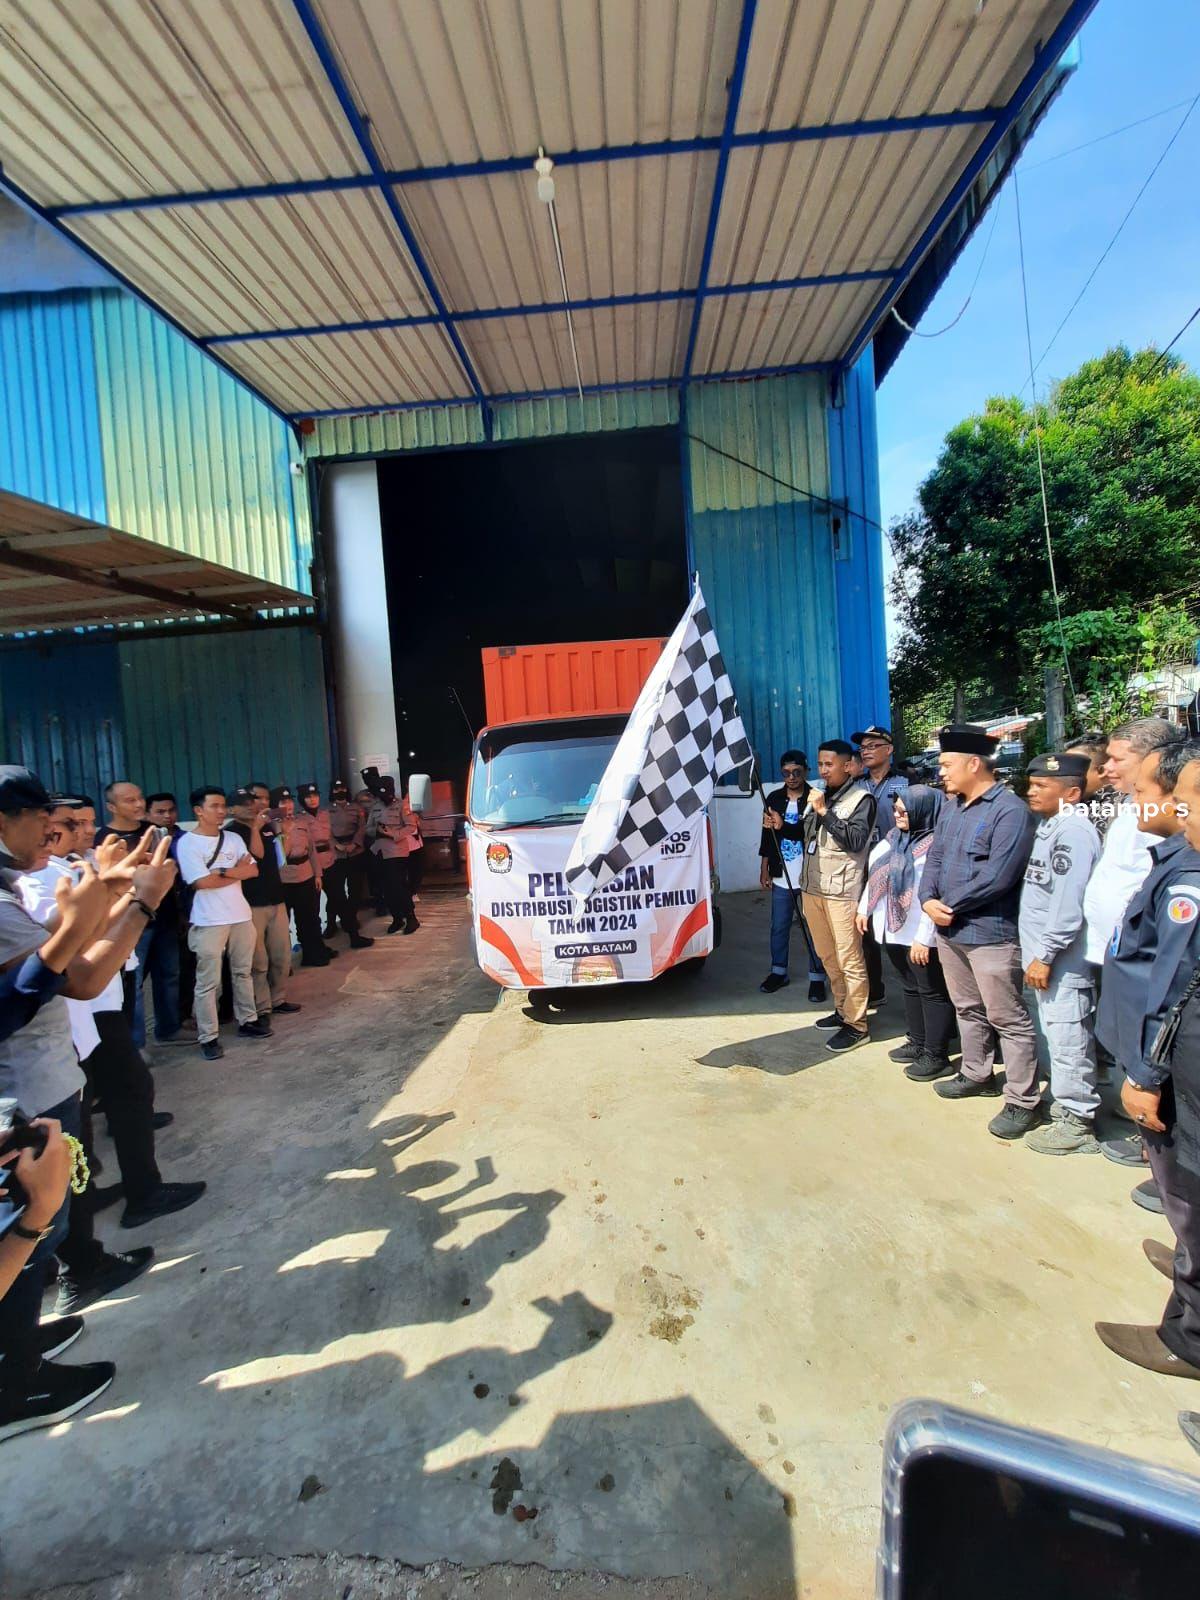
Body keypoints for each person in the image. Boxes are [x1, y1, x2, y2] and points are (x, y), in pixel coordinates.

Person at [0, 767, 175, 1437]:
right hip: (28, 1094)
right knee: (30, 1231)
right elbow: (78, 976)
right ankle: (17, 1381)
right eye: (40, 819)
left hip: (43, 1081)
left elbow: (65, 955)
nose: (52, 831)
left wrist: (113, 898)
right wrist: (138, 904)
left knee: (41, 1232)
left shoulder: (11, 888)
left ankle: (20, 1344)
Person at [19, 801, 205, 1273]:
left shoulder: (66, 867)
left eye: (85, 822)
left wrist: (121, 890)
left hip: (92, 1009)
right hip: (78, 1014)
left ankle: (85, 1229)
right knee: (103, 1111)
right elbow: (74, 953)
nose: (83, 831)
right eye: (67, 824)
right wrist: (139, 899)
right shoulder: (32, 880)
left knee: (87, 1126)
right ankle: (115, 1222)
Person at [1094, 740, 1200, 1380]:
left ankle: (1188, 1334)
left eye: (1147, 792)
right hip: (1161, 1054)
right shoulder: (1176, 858)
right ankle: (1188, 1261)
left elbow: (1176, 984)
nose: (1142, 804)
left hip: (1170, 1063)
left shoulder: (1189, 876)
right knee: (1179, 1192)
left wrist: (1144, 1073)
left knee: (1186, 1192)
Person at [920, 725, 1041, 1140]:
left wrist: (947, 906)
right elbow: (934, 857)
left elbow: (999, 876)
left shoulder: (1010, 811)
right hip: (949, 930)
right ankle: (976, 1073)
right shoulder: (951, 806)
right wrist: (926, 899)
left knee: (1007, 1017)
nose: (941, 772)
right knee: (967, 1007)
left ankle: (1023, 1100)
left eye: (946, 765)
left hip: (990, 934)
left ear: (974, 764)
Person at [1017, 754, 1102, 1155]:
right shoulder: (1051, 825)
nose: (1031, 791)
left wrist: (1046, 954)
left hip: (1060, 962)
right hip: (1043, 958)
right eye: (1031, 784)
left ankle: (1078, 1122)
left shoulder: (1074, 832)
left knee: (1068, 1039)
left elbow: (1069, 906)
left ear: (1071, 793)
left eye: (1041, 786)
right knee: (1053, 1034)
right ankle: (1065, 1105)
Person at [857, 786, 956, 1080]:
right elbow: (875, 876)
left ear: (923, 812)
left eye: (904, 811)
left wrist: (925, 938)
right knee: (909, 986)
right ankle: (918, 1040)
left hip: (919, 932)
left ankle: (936, 1054)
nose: (898, 815)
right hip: (892, 928)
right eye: (896, 810)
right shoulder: (893, 839)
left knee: (931, 990)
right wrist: (863, 909)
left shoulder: (935, 847)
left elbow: (936, 896)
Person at [176, 787, 270, 1061]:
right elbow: (201, 882)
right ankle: (208, 1036)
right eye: (214, 806)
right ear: (198, 811)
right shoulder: (188, 843)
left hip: (240, 915)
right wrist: (235, 872)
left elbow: (253, 870)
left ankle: (248, 1020)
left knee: (243, 972)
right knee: (208, 982)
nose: (221, 811)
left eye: (222, 806)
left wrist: (223, 871)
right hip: (209, 920)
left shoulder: (232, 838)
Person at [1082, 719, 1181, 967]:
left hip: (1139, 956)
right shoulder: (1127, 803)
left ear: (1152, 759)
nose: (1106, 767)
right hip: (1110, 950)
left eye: (1117, 759)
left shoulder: (1163, 815)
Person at [799, 740, 875, 1052]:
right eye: (820, 764)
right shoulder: (821, 795)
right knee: (827, 955)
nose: (823, 770)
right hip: (813, 888)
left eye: (829, 764)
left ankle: (857, 1025)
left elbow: (855, 841)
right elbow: (807, 837)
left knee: (849, 959)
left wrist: (823, 812)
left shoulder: (862, 799)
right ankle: (842, 1010)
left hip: (842, 892)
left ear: (848, 766)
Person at [225, 787, 301, 1026]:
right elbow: (256, 856)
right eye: (245, 804)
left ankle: (278, 998)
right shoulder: (232, 833)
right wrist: (255, 828)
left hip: (276, 898)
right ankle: (262, 1006)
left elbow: (280, 859)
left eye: (253, 801)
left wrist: (285, 833)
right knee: (258, 961)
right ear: (232, 809)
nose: (252, 806)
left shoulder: (267, 827)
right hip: (251, 904)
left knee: (281, 955)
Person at [757, 750, 825, 1001]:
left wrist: (782, 825)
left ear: (806, 771)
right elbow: (767, 836)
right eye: (786, 773)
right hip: (781, 873)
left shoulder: (816, 798)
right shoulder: (774, 798)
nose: (792, 777)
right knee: (779, 926)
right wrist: (764, 867)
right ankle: (778, 972)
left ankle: (817, 977)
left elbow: (809, 833)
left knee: (814, 928)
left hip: (810, 876)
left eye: (797, 772)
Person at [853, 726, 909, 1007]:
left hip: (898, 864)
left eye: (872, 746)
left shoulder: (906, 782)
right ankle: (875, 990)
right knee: (865, 931)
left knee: (901, 929)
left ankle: (917, 992)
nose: (866, 751)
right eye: (863, 748)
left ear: (889, 750)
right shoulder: (856, 785)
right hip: (863, 865)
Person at [271, 786, 335, 968]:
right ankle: (283, 964)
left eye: (289, 801)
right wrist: (283, 830)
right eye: (283, 802)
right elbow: (280, 855)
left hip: (305, 875)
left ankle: (313, 953)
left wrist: (317, 874)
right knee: (283, 924)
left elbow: (312, 850)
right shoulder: (272, 826)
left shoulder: (301, 821)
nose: (288, 805)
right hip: (284, 879)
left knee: (309, 918)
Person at [368, 777, 421, 936]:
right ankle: (397, 918)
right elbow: (368, 828)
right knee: (386, 888)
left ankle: (411, 917)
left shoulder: (402, 806)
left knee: (399, 886)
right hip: (379, 851)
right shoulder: (375, 806)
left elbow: (411, 826)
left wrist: (393, 834)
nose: (385, 795)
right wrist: (376, 831)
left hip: (397, 851)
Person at [324, 781, 374, 949]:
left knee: (355, 890)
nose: (340, 791)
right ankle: (331, 924)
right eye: (336, 788)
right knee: (335, 893)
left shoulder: (356, 808)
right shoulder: (326, 810)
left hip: (355, 852)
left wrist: (355, 843)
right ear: (332, 791)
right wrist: (335, 844)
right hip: (336, 854)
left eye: (343, 788)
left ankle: (350, 920)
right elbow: (325, 830)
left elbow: (362, 827)